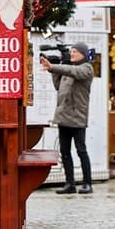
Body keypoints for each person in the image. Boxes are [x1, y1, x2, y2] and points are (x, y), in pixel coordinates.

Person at [40, 42, 94, 195]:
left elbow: (73, 71)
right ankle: (70, 183)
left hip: (77, 117)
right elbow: (58, 86)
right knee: (64, 151)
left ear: (83, 54)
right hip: (63, 116)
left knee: (81, 150)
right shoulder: (67, 68)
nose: (72, 54)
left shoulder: (86, 68)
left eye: (75, 51)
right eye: (71, 51)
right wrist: (54, 68)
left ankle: (87, 183)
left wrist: (54, 66)